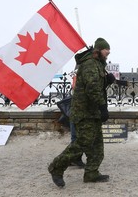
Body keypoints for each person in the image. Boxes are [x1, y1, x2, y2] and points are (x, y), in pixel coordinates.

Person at [48, 37, 112, 187]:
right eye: (106, 49)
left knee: (97, 146)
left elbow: (96, 84)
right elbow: (92, 88)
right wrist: (103, 107)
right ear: (98, 50)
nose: (108, 52)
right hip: (85, 113)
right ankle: (56, 167)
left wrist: (106, 81)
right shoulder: (90, 64)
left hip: (92, 112)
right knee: (81, 144)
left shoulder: (97, 64)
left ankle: (91, 173)